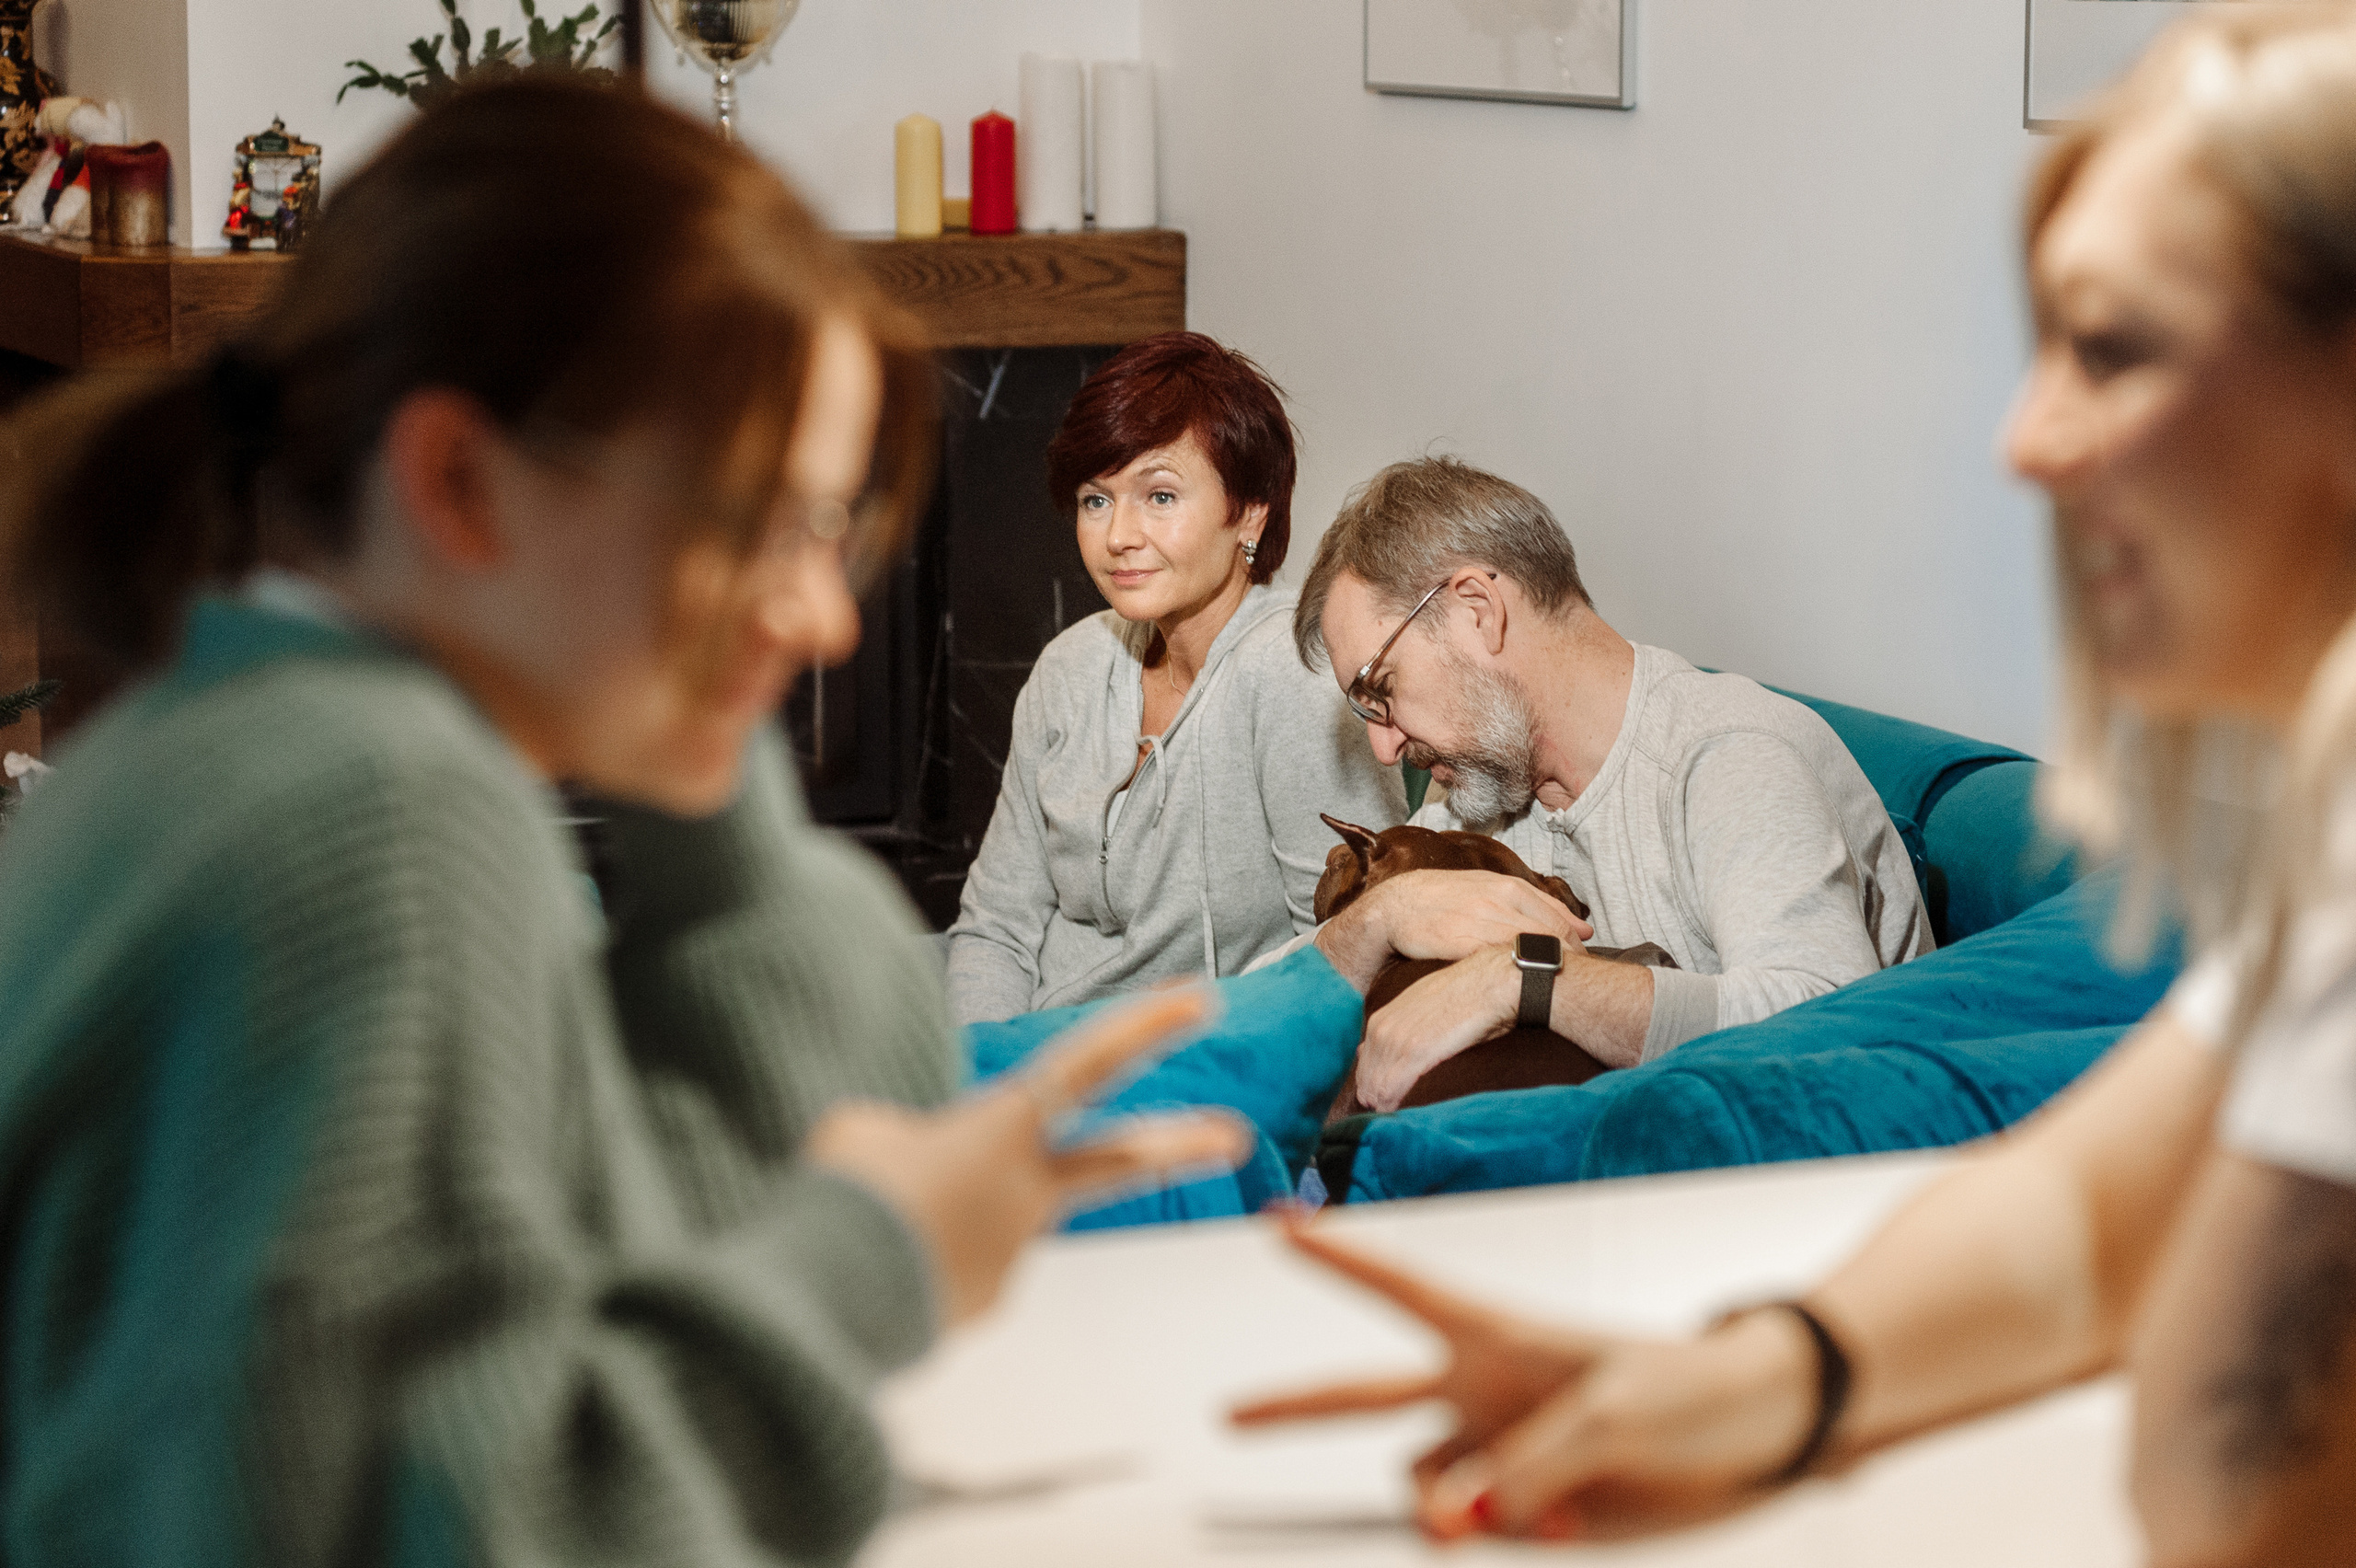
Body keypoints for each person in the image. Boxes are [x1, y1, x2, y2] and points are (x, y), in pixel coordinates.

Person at [0, 79, 1248, 1564]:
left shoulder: (230, 736)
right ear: (459, 482)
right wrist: (877, 1252)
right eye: (749, 523)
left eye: (832, 530)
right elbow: (513, 1532)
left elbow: (693, 1203)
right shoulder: (382, 815)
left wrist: (703, 772)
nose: (822, 615)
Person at [1235, 11, 2356, 1562]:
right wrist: (1747, 1376)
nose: (2023, 440)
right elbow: (2082, 1208)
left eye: (2109, 348)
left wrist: (1530, 981)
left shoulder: (1729, 752)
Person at [1276, 456, 1930, 1110]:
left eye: (1381, 690)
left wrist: (1529, 981)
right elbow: (1256, 1009)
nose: (1384, 748)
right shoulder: (1480, 800)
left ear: (1477, 610)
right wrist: (1383, 916)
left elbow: (1822, 1026)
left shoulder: (1727, 753)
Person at [945, 332, 1406, 1024]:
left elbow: (1348, 949)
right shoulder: (1069, 669)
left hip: (1193, 1073)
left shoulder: (1297, 675)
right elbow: (996, 927)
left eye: (1159, 496)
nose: (1118, 535)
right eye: (1095, 500)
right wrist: (981, 1075)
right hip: (1032, 1051)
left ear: (1249, 512)